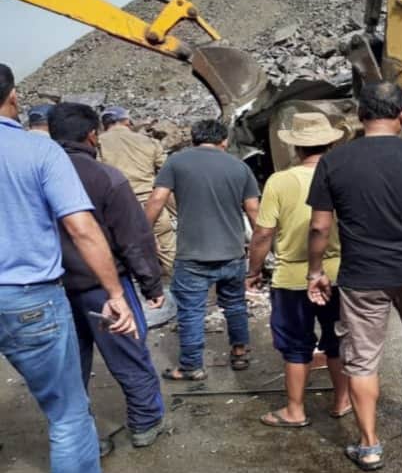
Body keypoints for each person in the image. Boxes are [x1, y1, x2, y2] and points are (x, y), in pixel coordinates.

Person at [0, 63, 135, 473]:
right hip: (29, 297)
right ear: (13, 98)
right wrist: (116, 294)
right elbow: (81, 228)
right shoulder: (38, 151)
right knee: (68, 412)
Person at [306, 81, 402, 471]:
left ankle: (370, 445)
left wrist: (314, 271)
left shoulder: (333, 163)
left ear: (360, 117)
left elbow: (320, 228)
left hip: (362, 278)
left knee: (361, 362)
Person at [49, 103, 168, 452]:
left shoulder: (36, 174)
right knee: (130, 356)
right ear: (91, 135)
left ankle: (83, 437)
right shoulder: (105, 177)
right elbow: (133, 238)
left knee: (70, 367)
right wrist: (152, 285)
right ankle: (145, 425)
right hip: (105, 289)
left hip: (52, 289)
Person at [246, 113, 352, 428]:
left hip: (292, 278)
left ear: (295, 147)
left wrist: (253, 271)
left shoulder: (280, 181)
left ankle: (295, 410)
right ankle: (342, 400)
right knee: (338, 338)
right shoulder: (344, 174)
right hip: (338, 273)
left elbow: (263, 234)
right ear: (332, 143)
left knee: (295, 344)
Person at [145, 119, 259, 380]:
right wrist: (257, 254)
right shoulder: (239, 167)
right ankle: (240, 352)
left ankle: (191, 366)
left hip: (193, 256)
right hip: (232, 253)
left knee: (191, 312)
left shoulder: (176, 162)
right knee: (235, 306)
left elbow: (157, 199)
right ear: (224, 141)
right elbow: (254, 212)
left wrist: (143, 234)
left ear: (193, 139)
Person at [99, 106, 176, 277]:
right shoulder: (149, 142)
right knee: (169, 254)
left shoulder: (98, 143)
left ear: (104, 124)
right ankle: (183, 294)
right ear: (127, 121)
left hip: (119, 209)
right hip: (153, 205)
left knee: (127, 256)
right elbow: (168, 174)